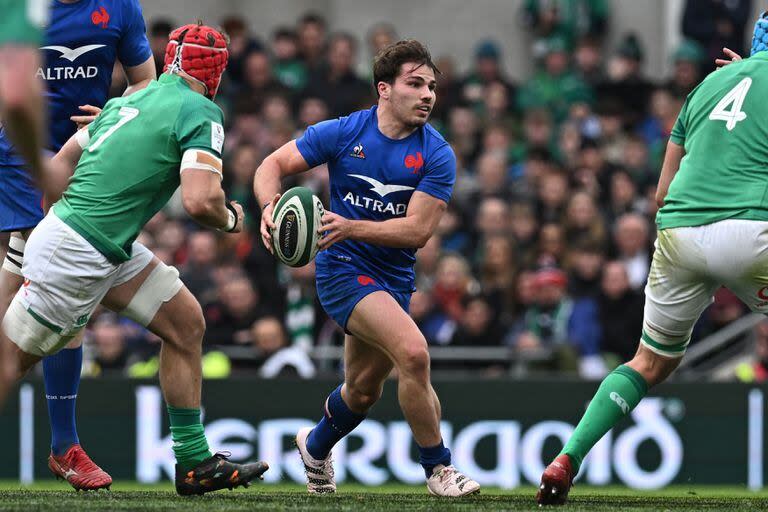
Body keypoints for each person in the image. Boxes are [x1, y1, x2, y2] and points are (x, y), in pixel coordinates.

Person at [0, 22, 267, 496]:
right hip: (80, 251)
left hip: (92, 242)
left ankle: (193, 462)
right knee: (7, 365)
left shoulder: (126, 100)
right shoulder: (201, 110)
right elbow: (201, 201)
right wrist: (231, 218)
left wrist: (62, 223)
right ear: (217, 71)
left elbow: (59, 166)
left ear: (171, 59)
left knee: (185, 323)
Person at [537, 14, 768, 505]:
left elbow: (661, 192)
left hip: (680, 231)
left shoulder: (708, 86)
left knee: (648, 363)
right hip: (753, 230)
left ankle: (567, 458)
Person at [254, 39, 480, 497]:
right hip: (341, 268)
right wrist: (268, 207)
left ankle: (315, 446)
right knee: (414, 353)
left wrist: (350, 225)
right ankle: (439, 469)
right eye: (415, 84)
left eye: (432, 86)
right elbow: (271, 164)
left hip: (393, 277)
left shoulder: (437, 154)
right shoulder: (343, 132)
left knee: (361, 390)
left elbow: (416, 231)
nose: (427, 95)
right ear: (384, 89)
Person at [0, 0, 157, 491]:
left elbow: (147, 85)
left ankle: (64, 445)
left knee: (44, 289)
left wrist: (115, 110)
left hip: (89, 161)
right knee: (46, 289)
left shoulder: (118, 8)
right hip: (21, 158)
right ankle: (64, 445)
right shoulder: (17, 9)